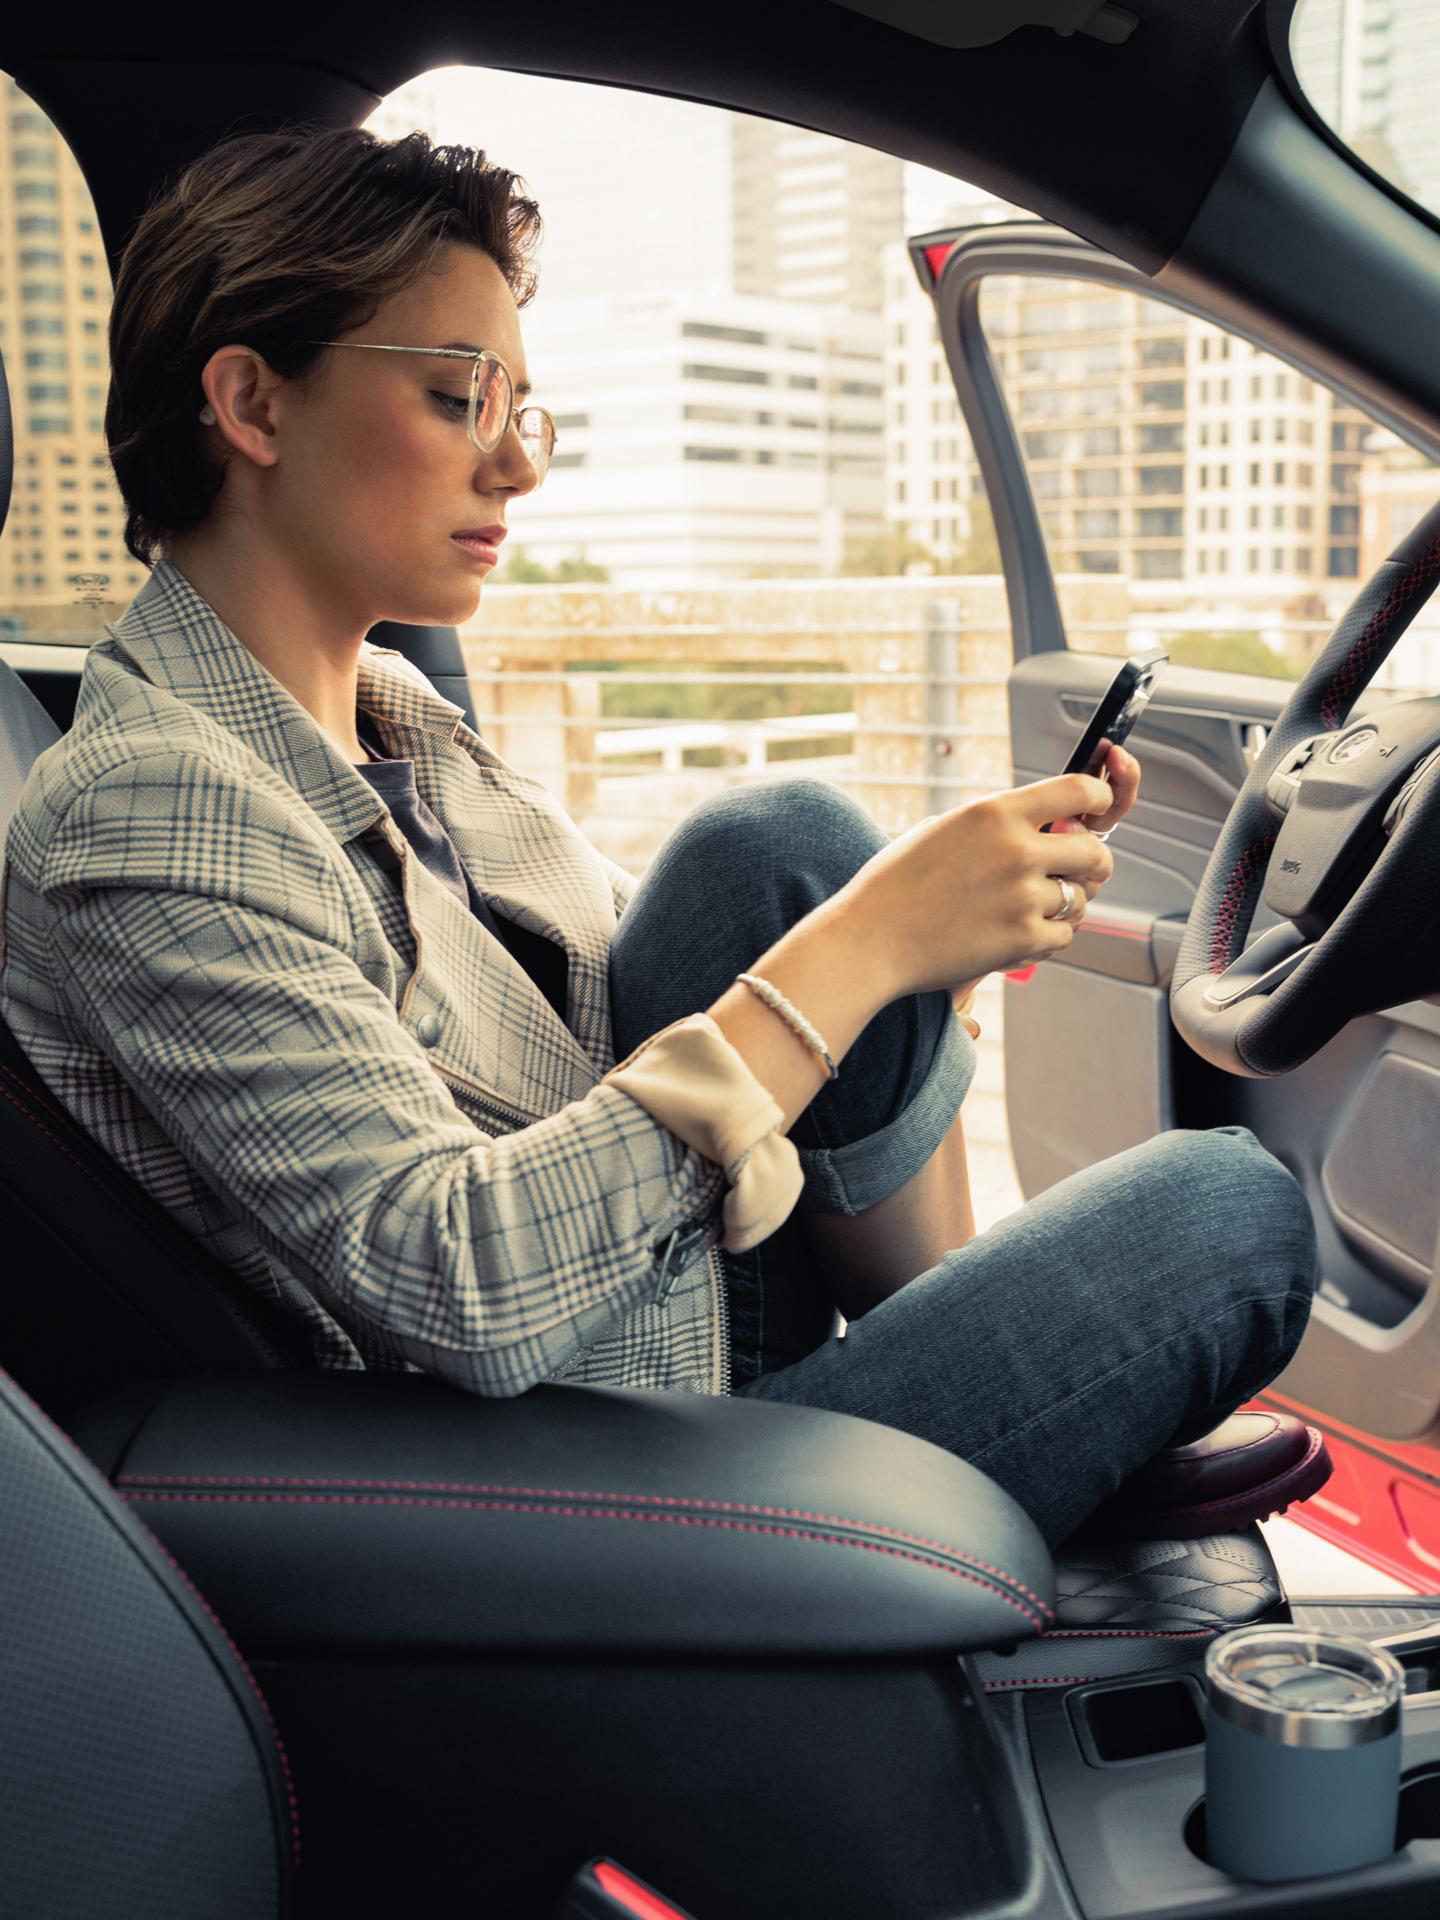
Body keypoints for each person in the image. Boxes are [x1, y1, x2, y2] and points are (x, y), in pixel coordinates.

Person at [0, 126, 1325, 1549]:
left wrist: (908, 925)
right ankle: (976, 1446)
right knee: (1227, 1214)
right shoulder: (146, 804)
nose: (517, 467)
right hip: (548, 1464)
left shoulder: (390, 716)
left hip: (643, 1309)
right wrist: (870, 949)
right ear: (253, 404)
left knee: (786, 840)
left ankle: (974, 1397)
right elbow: (457, 1280)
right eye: (459, 398)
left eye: (525, 410)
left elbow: (665, 973)